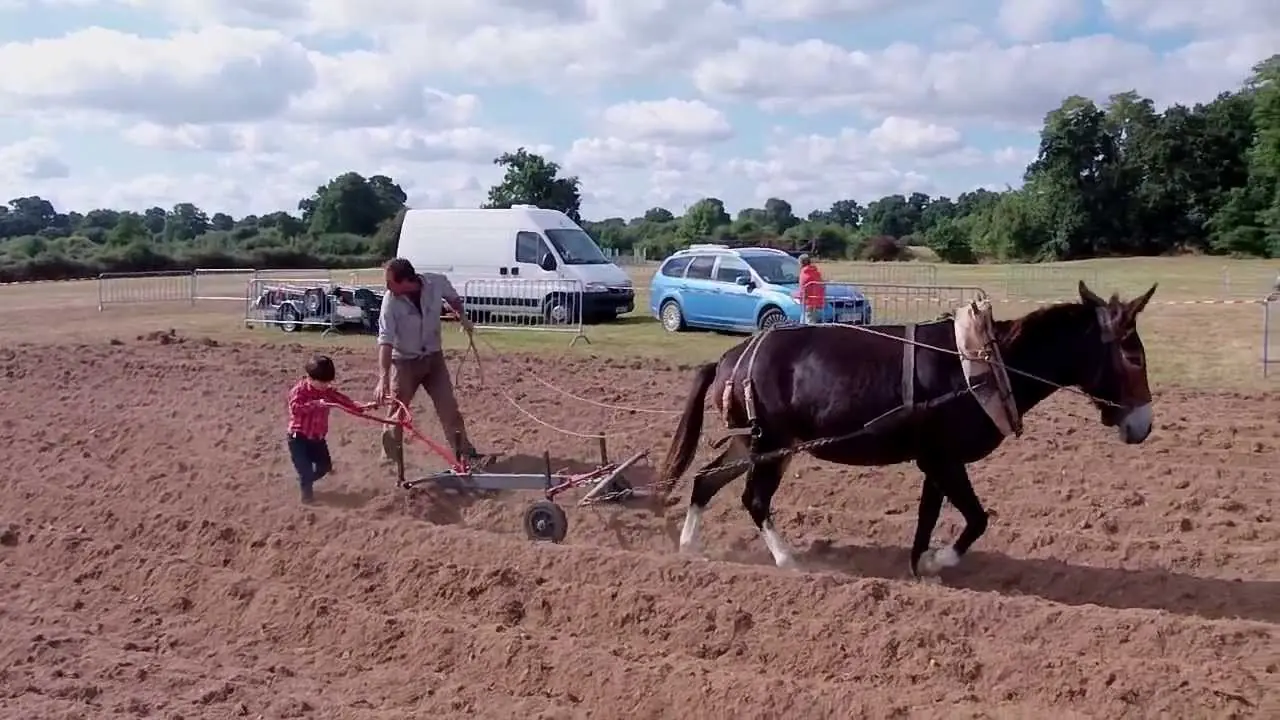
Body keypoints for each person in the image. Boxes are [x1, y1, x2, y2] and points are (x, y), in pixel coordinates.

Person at [374, 257, 485, 470]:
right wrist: (383, 379)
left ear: (406, 280)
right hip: (404, 362)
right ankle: (389, 462)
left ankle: (465, 456)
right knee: (396, 412)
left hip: (434, 358)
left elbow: (453, 298)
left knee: (449, 409)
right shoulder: (390, 301)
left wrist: (462, 316)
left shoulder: (437, 283)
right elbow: (385, 341)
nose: (387, 287)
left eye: (390, 282)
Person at [287, 353, 376, 504]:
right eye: (321, 383)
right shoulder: (299, 391)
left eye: (327, 383)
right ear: (309, 377)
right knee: (306, 470)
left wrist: (361, 407)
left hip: (317, 438)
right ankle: (307, 499)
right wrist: (317, 404)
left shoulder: (327, 391)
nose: (325, 386)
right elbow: (295, 409)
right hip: (298, 438)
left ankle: (305, 480)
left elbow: (342, 400)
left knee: (325, 467)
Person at [798, 253, 825, 324]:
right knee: (808, 321)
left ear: (801, 263)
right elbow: (822, 286)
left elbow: (803, 289)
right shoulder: (815, 272)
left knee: (808, 323)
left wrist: (796, 295)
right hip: (817, 302)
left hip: (808, 303)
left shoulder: (804, 274)